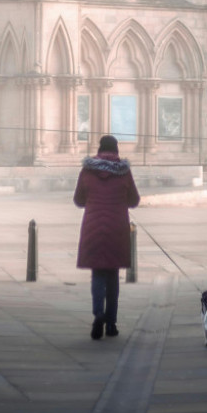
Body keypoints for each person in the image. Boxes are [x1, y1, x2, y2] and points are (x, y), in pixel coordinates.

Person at [73, 135, 140, 339]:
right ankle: (111, 324)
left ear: (99, 149)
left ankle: (98, 314)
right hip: (117, 228)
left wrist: (93, 201)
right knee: (112, 276)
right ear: (117, 150)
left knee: (98, 274)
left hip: (93, 227)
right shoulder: (124, 171)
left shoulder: (87, 170)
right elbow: (135, 200)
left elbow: (78, 199)